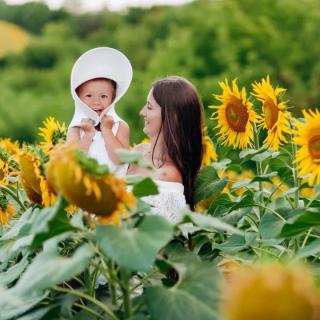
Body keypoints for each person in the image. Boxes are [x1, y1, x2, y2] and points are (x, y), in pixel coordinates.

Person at [127, 76, 204, 223]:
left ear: (172, 116)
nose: (142, 112)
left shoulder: (168, 176)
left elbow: (156, 237)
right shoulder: (139, 151)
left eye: (149, 107)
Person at [67, 47, 132, 171]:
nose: (96, 102)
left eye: (103, 96)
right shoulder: (75, 128)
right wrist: (88, 135)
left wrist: (107, 131)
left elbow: (120, 160)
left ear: (113, 99)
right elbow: (73, 161)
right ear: (78, 98)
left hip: (114, 188)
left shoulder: (120, 126)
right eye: (88, 96)